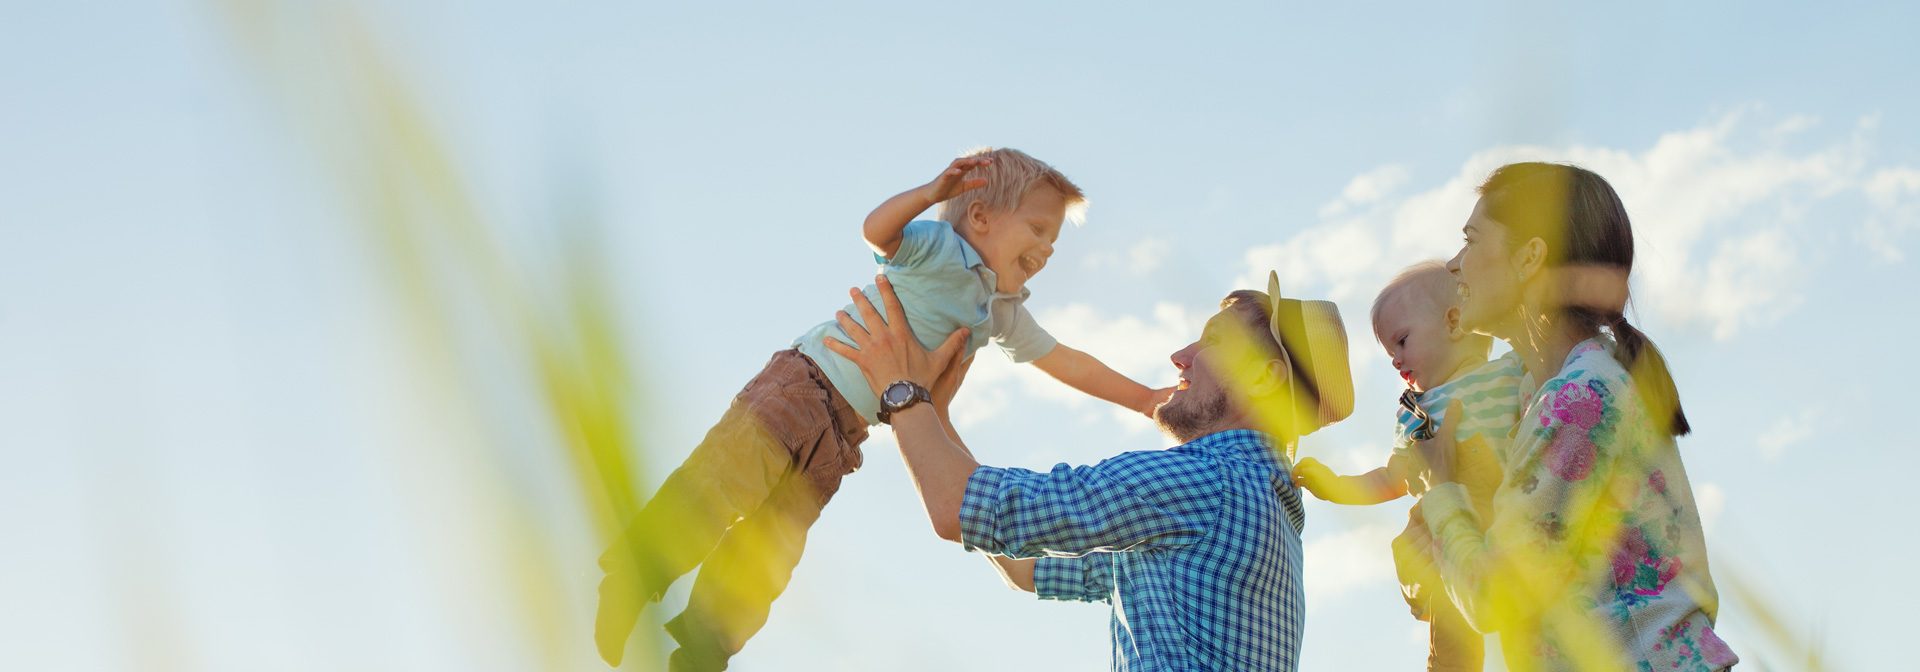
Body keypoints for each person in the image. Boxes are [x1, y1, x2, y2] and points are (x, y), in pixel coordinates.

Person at [594, 148, 1169, 669]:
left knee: (772, 548)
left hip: (844, 436)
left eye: (1054, 242)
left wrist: (1144, 399)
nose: (1046, 249)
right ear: (980, 218)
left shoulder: (1000, 311)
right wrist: (931, 192)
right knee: (722, 485)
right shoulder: (939, 250)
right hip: (803, 386)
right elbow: (877, 230)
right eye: (1039, 229)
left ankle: (703, 645)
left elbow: (1066, 360)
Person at [824, 270, 1354, 671]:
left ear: (1263, 377)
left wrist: (899, 386)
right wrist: (933, 417)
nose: (1180, 355)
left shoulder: (1207, 484)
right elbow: (1024, 568)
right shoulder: (1253, 509)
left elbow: (958, 509)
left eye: (1213, 341)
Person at [1400, 162, 1738, 671]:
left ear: (1530, 256)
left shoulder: (1579, 401)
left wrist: (1440, 492)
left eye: (1471, 240)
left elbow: (1496, 598)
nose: (1454, 264)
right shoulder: (1549, 393)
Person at [1292, 261, 1523, 672]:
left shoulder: (1514, 371)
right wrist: (1336, 487)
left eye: (1401, 341)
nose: (1396, 360)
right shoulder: (1417, 414)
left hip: (1514, 524)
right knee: (1452, 641)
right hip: (1447, 544)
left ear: (1454, 322)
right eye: (1388, 352)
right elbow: (1393, 478)